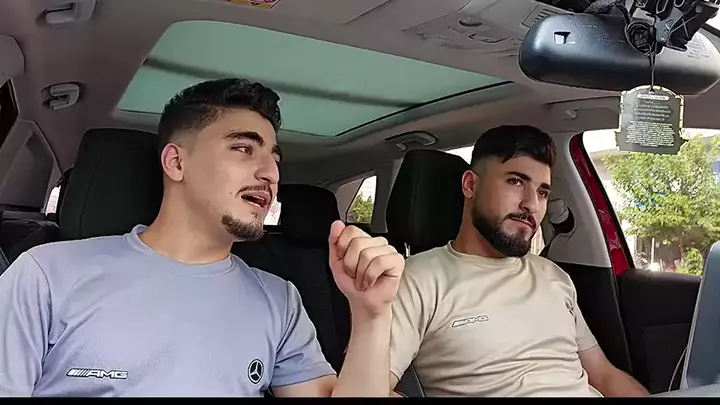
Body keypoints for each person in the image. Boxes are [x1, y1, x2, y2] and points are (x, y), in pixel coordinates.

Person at [0, 79, 404, 397]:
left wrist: (371, 314)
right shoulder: (46, 274)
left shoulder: (279, 300)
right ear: (176, 162)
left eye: (274, 158)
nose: (270, 173)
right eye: (244, 149)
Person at [388, 125, 649, 397]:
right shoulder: (417, 279)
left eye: (543, 192)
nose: (532, 205)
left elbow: (604, 376)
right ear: (470, 185)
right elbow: (371, 386)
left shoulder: (553, 275)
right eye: (516, 182)